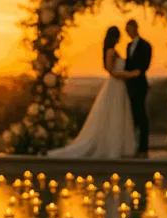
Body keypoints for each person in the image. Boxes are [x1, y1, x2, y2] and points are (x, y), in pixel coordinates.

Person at [47, 26, 140, 159]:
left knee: (118, 114)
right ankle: (112, 146)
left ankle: (119, 145)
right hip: (115, 85)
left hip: (120, 86)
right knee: (113, 114)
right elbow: (111, 71)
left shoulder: (113, 51)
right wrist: (130, 75)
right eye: (118, 36)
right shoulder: (111, 51)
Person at [123, 19, 152, 158]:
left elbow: (145, 64)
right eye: (127, 30)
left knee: (141, 114)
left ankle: (143, 147)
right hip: (130, 84)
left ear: (136, 28)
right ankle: (133, 145)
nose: (128, 32)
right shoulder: (128, 46)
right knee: (132, 116)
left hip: (140, 84)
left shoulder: (146, 45)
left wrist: (137, 72)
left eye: (130, 29)